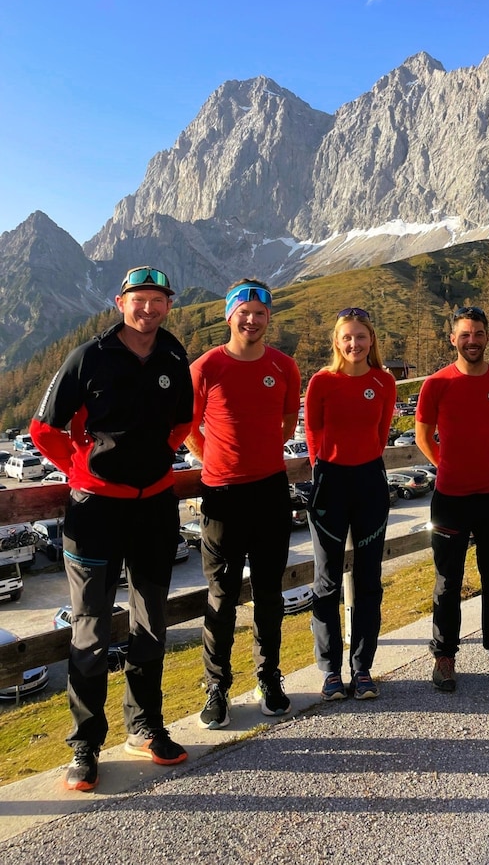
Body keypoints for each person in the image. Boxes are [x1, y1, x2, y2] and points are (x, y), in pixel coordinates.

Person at [30, 266, 194, 792]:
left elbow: (184, 422)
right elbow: (43, 429)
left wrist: (160, 458)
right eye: (138, 300)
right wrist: (82, 469)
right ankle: (85, 745)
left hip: (154, 510)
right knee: (91, 631)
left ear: (169, 304)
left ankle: (144, 727)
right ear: (120, 303)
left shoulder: (173, 355)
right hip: (94, 513)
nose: (148, 309)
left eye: (158, 300)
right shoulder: (89, 356)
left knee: (150, 623)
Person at [185, 279, 301, 729]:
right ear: (228, 316)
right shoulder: (207, 367)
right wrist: (212, 457)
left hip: (270, 490)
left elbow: (290, 422)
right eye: (243, 312)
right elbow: (188, 428)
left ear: (268, 317)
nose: (251, 320)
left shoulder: (284, 366)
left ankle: (268, 678)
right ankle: (217, 686)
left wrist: (263, 449)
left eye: (259, 312)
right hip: (221, 495)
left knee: (270, 593)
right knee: (221, 595)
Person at [415, 305, 489, 692]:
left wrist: (485, 459)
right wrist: (449, 466)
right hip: (450, 498)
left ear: (487, 337)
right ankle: (444, 657)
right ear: (453, 339)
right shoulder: (436, 384)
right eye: (465, 334)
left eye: (478, 334)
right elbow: (423, 436)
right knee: (448, 581)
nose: (472, 341)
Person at [304, 307, 396, 700]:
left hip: (370, 480)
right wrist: (327, 472)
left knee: (368, 578)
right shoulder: (322, 382)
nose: (354, 344)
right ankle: (329, 669)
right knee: (326, 579)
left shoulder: (384, 381)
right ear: (337, 342)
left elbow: (381, 431)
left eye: (361, 336)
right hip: (331, 482)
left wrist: (362, 465)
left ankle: (362, 668)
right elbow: (312, 434)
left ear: (371, 340)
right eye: (347, 337)